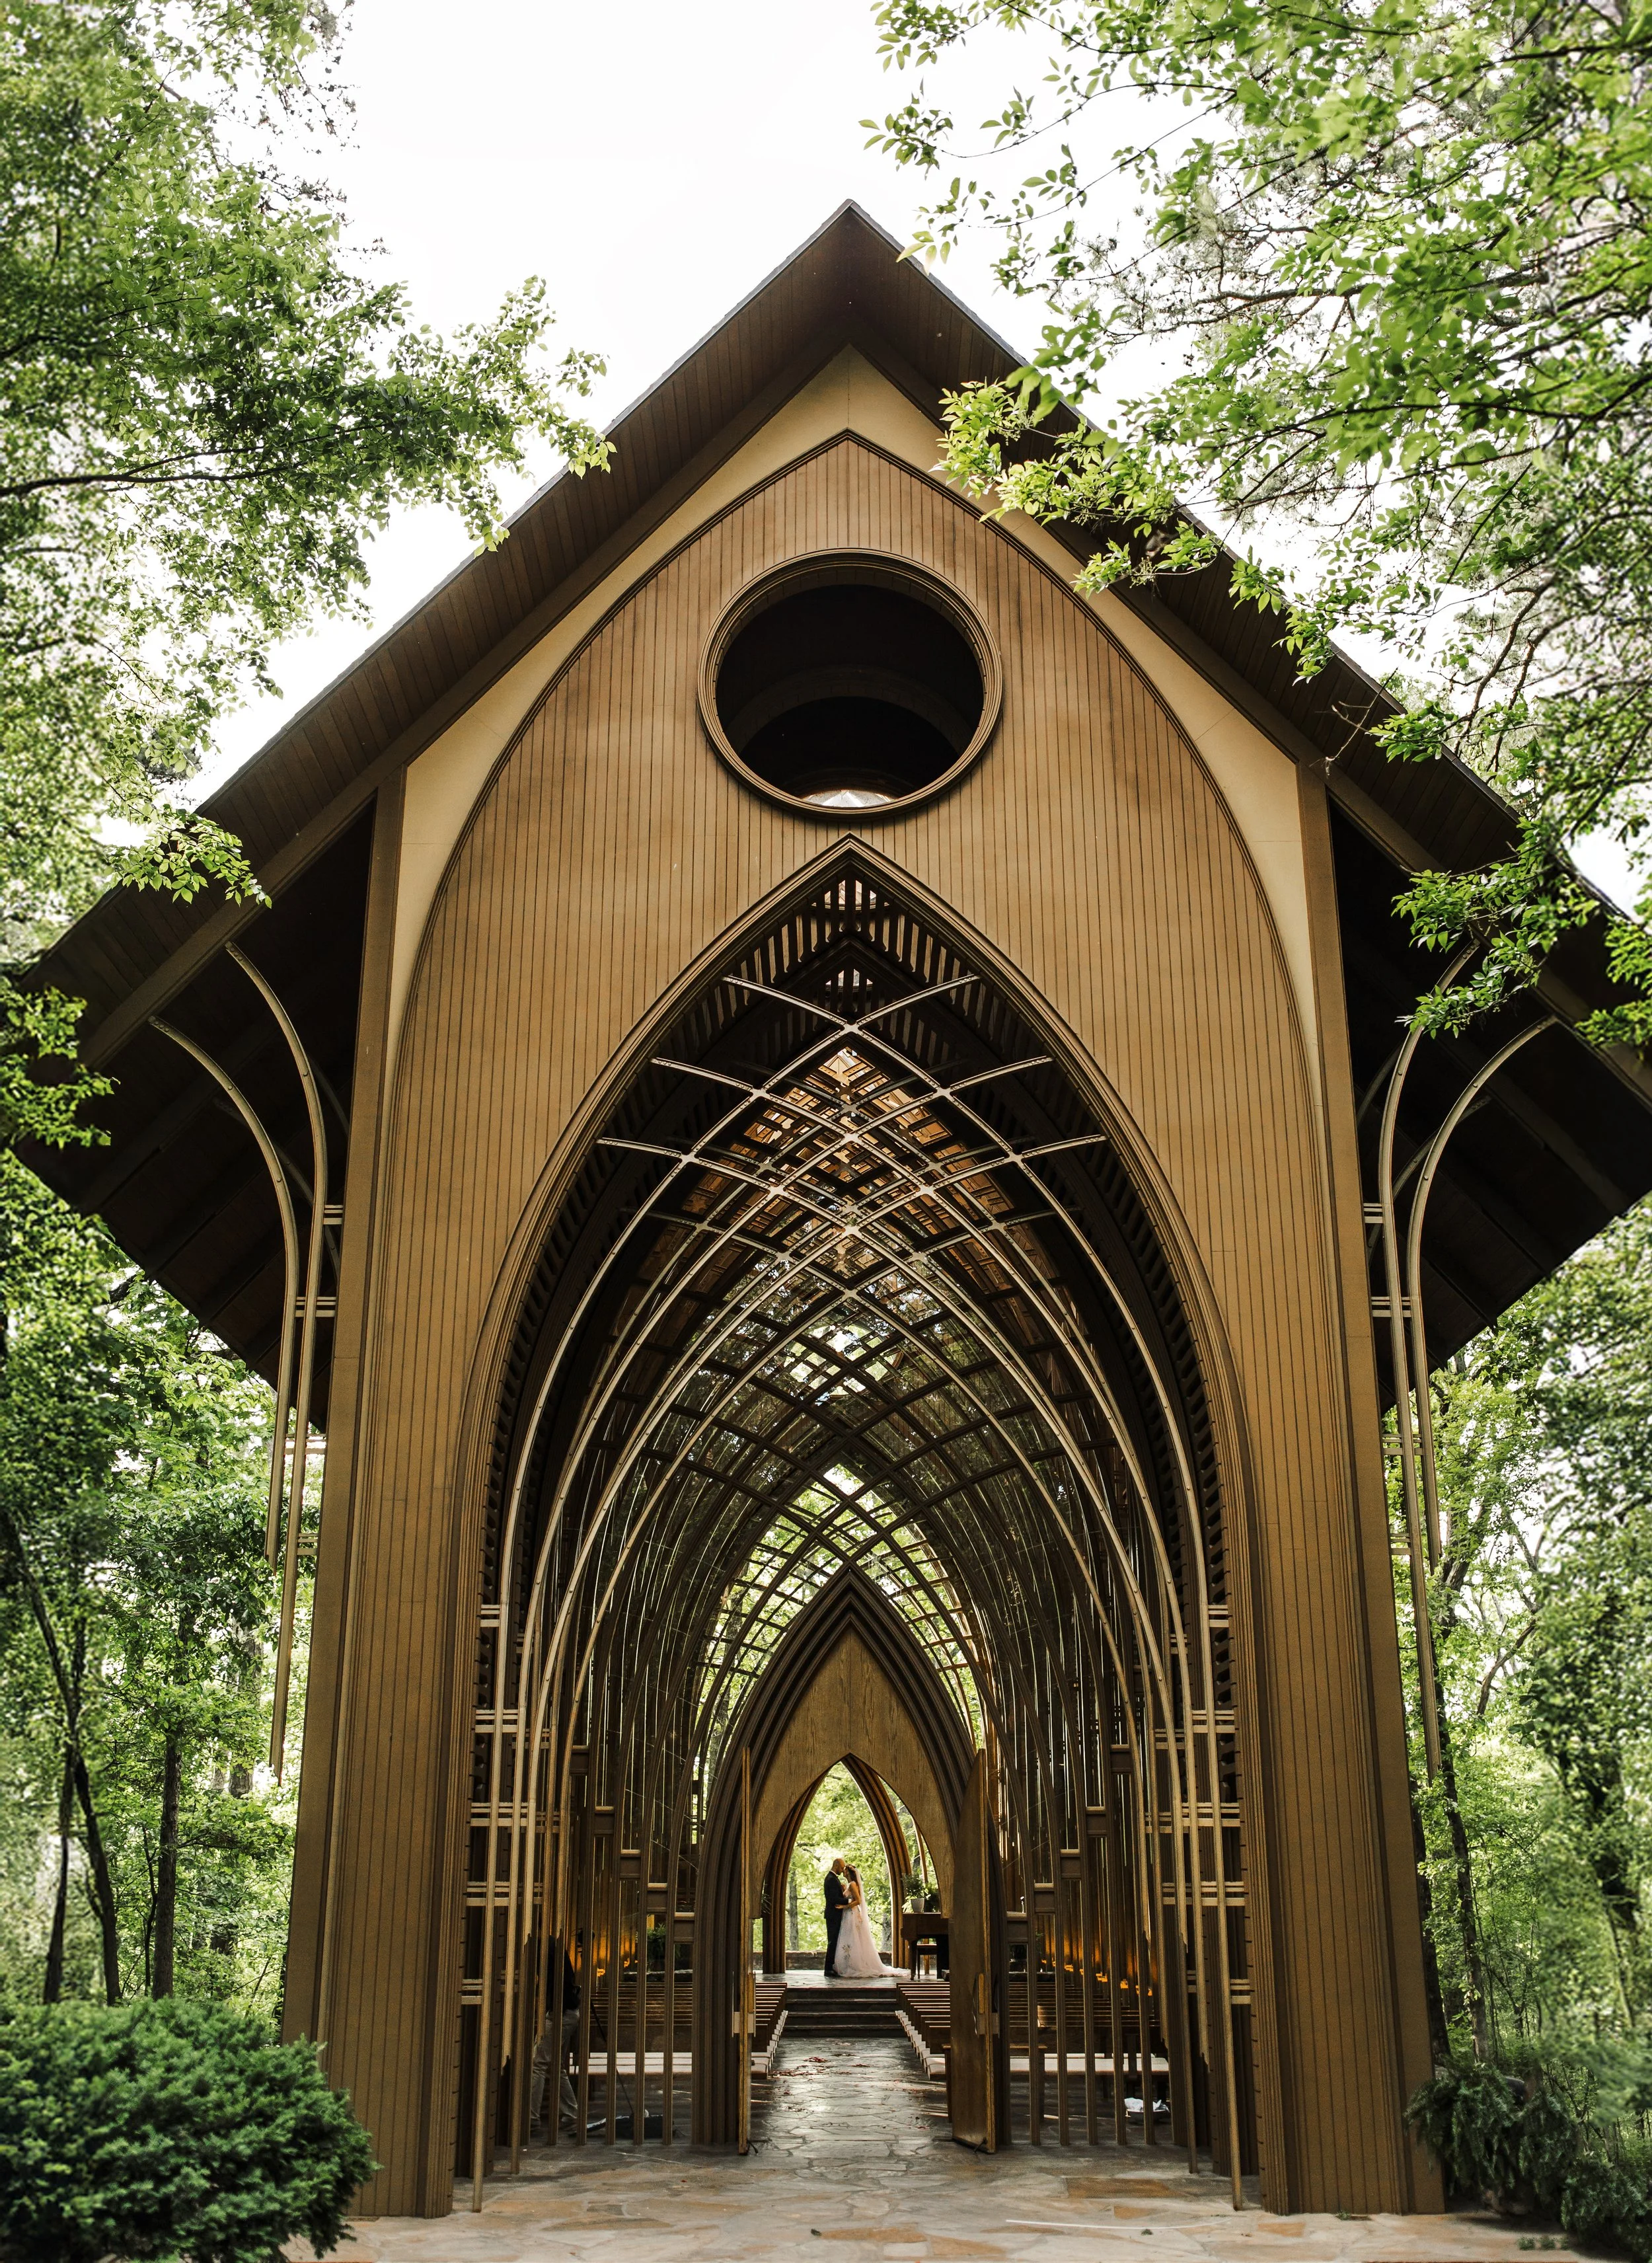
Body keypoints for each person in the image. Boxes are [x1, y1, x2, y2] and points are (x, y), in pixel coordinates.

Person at [529, 1942, 582, 2135]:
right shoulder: (554, 1947)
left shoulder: (542, 1946)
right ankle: (571, 2114)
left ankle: (531, 2119)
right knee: (555, 2066)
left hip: (560, 2013)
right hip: (567, 2011)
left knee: (538, 2063)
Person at [833, 1862, 885, 1979]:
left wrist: (844, 1907)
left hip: (851, 1913)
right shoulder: (850, 1885)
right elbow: (850, 1897)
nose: (843, 1872)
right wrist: (844, 1890)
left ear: (848, 1873)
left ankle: (854, 1965)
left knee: (852, 1937)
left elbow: (858, 1901)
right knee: (850, 1937)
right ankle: (849, 1963)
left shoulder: (852, 1884)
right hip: (848, 1914)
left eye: (845, 1870)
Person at [823, 1857, 847, 1977]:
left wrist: (841, 1891)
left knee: (834, 1942)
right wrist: (850, 1901)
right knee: (832, 1942)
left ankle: (831, 1967)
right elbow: (834, 1899)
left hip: (834, 1914)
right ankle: (828, 1969)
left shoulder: (833, 1878)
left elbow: (835, 1895)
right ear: (836, 1865)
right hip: (833, 1915)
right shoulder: (831, 1879)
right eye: (842, 1868)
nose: (843, 1871)